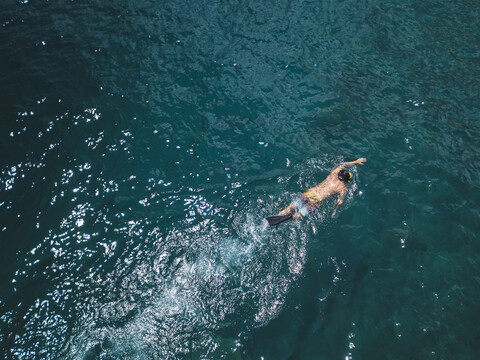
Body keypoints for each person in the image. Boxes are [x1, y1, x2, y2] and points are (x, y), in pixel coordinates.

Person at [266, 158, 366, 226]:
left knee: (290, 207)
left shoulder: (333, 173)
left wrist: (356, 161)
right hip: (316, 201)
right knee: (299, 215)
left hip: (310, 193)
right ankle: (290, 217)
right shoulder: (343, 188)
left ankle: (278, 215)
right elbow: (340, 201)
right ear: (346, 180)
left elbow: (343, 164)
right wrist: (335, 210)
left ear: (340, 173)